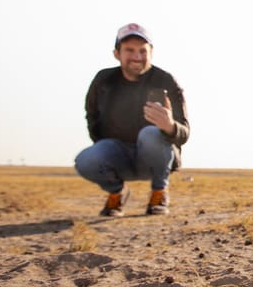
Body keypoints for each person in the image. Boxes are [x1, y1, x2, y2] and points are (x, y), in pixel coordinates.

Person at [75, 23, 190, 216]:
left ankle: (159, 192)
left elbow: (184, 133)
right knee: (85, 160)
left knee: (151, 133)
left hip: (157, 158)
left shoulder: (166, 81)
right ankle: (117, 192)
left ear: (151, 53)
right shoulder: (104, 80)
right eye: (129, 50)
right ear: (116, 54)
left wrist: (169, 127)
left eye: (142, 51)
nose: (137, 57)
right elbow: (91, 116)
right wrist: (104, 148)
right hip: (118, 155)